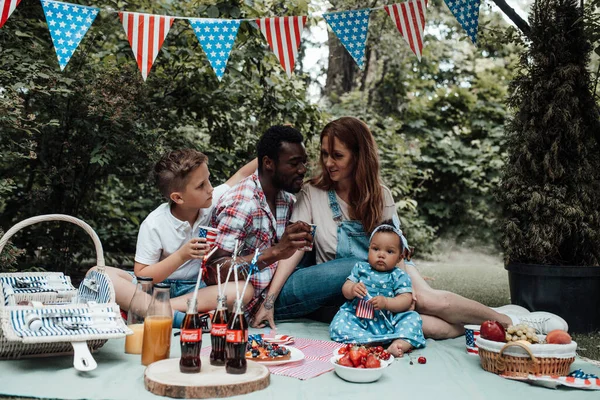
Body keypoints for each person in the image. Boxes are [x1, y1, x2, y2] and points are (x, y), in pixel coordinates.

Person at [251, 116, 569, 338]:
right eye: (324, 154)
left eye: (337, 155)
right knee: (427, 318)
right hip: (350, 291)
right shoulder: (313, 193)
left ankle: (504, 322)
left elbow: (397, 251)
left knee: (431, 309)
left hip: (390, 281)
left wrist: (410, 285)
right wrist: (269, 301)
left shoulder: (380, 196)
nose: (328, 163)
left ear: (359, 157)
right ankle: (497, 319)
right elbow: (294, 250)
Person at [102, 149, 256, 327]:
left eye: (208, 179)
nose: (210, 188)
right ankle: (176, 317)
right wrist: (181, 256)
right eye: (201, 185)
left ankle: (154, 311)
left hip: (194, 289)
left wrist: (273, 147)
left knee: (243, 290)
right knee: (101, 274)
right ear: (178, 197)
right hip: (157, 288)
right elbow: (142, 274)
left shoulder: (211, 200)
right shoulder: (154, 223)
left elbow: (242, 174)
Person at [207, 125, 313, 319]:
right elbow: (215, 272)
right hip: (249, 305)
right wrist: (275, 252)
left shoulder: (287, 199)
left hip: (276, 292)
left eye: (304, 163)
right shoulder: (242, 203)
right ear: (268, 163)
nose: (302, 170)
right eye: (294, 163)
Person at [330, 224, 426, 357]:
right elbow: (346, 288)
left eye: (389, 251)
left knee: (413, 319)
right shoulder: (361, 268)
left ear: (399, 258)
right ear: (368, 250)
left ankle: (399, 343)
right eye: (375, 249)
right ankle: (363, 341)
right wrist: (352, 289)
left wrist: (387, 302)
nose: (381, 255)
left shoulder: (399, 275)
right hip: (360, 318)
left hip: (389, 319)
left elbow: (406, 300)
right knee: (340, 322)